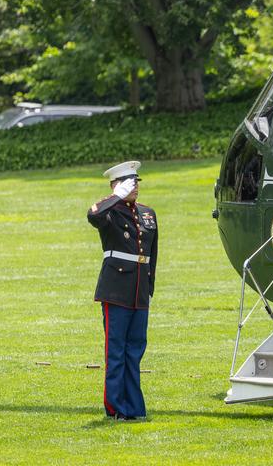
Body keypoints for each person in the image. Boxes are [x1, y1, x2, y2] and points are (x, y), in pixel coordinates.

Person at [87, 161, 158, 421]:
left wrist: (149, 287)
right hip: (116, 288)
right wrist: (116, 196)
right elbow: (93, 215)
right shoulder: (110, 212)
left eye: (136, 182)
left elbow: (152, 254)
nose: (134, 187)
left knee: (135, 349)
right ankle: (116, 407)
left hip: (139, 289)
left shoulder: (147, 213)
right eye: (128, 183)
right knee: (116, 350)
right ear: (115, 186)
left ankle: (135, 408)